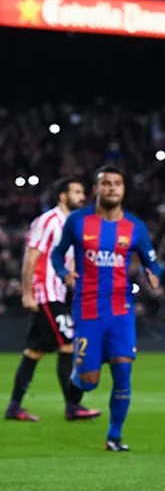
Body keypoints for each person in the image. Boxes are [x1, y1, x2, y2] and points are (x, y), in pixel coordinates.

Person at [51, 165, 163, 451]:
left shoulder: (135, 226)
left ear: (123, 190)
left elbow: (153, 262)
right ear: (96, 189)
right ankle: (79, 378)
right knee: (89, 382)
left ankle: (113, 438)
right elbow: (56, 254)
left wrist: (154, 274)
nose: (112, 188)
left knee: (123, 372)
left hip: (120, 310)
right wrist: (64, 273)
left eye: (117, 183)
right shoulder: (78, 221)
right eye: (106, 183)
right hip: (87, 308)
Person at [6, 177, 100, 422]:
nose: (82, 197)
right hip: (45, 293)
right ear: (62, 196)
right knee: (69, 344)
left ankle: (14, 406)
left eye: (83, 192)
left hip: (57, 292)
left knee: (34, 352)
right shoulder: (47, 221)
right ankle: (73, 406)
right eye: (77, 192)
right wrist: (27, 293)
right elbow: (31, 257)